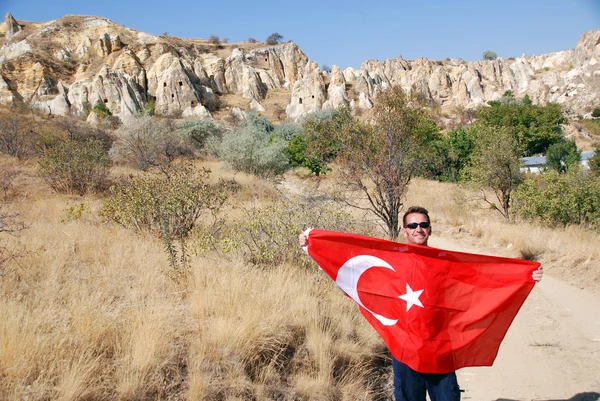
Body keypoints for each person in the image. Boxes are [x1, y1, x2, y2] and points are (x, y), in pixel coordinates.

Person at [299, 205, 543, 401]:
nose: (418, 229)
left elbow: (481, 280)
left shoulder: (445, 263)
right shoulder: (393, 259)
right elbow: (353, 276)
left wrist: (524, 277)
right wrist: (312, 246)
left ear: (430, 229)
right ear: (404, 230)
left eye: (423, 225)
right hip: (405, 349)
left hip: (440, 348)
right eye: (413, 225)